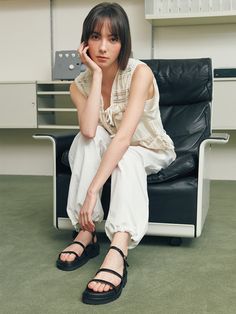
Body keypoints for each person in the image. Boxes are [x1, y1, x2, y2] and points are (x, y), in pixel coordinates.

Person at [56, 2, 176, 305]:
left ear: (124, 43)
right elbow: (87, 131)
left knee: (127, 154)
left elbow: (124, 138)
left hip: (148, 149)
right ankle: (86, 232)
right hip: (112, 147)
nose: (103, 47)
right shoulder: (78, 85)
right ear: (85, 42)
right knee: (89, 137)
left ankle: (118, 248)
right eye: (96, 37)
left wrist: (94, 189)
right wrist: (95, 75)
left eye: (113, 39)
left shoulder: (140, 73)